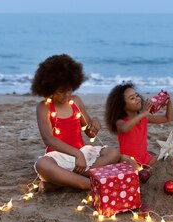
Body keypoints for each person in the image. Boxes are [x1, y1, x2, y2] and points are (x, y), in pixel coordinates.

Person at [32, 54, 128, 192]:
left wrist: (94, 124)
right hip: (59, 156)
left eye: (69, 90)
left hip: (83, 153)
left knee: (113, 153)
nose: (66, 95)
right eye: (61, 91)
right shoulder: (44, 107)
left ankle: (62, 182)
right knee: (43, 164)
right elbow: (49, 139)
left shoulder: (75, 101)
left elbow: (89, 132)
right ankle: (90, 183)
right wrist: (77, 154)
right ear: (49, 88)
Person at [105, 82, 173, 166]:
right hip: (129, 162)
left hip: (146, 159)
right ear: (122, 105)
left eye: (137, 95)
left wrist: (168, 102)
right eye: (132, 98)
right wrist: (143, 113)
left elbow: (168, 118)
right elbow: (124, 129)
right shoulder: (120, 121)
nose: (137, 99)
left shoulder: (144, 117)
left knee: (167, 156)